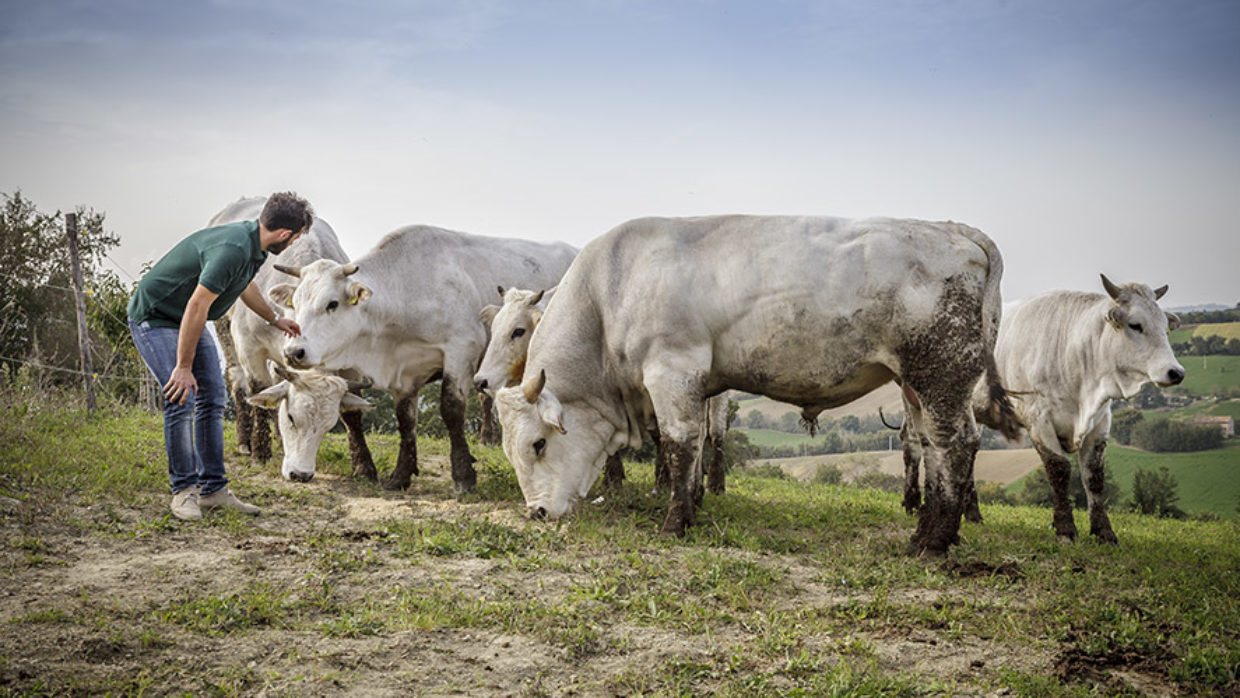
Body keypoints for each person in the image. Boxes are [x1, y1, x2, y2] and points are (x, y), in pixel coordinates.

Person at [127, 192, 310, 521]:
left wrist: (275, 318)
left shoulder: (254, 244)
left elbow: (244, 285)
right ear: (286, 235)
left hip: (185, 316)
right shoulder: (234, 248)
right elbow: (198, 306)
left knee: (213, 395)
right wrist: (183, 367)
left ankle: (213, 491)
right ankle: (184, 491)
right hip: (156, 316)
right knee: (181, 396)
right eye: (297, 237)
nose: (296, 241)